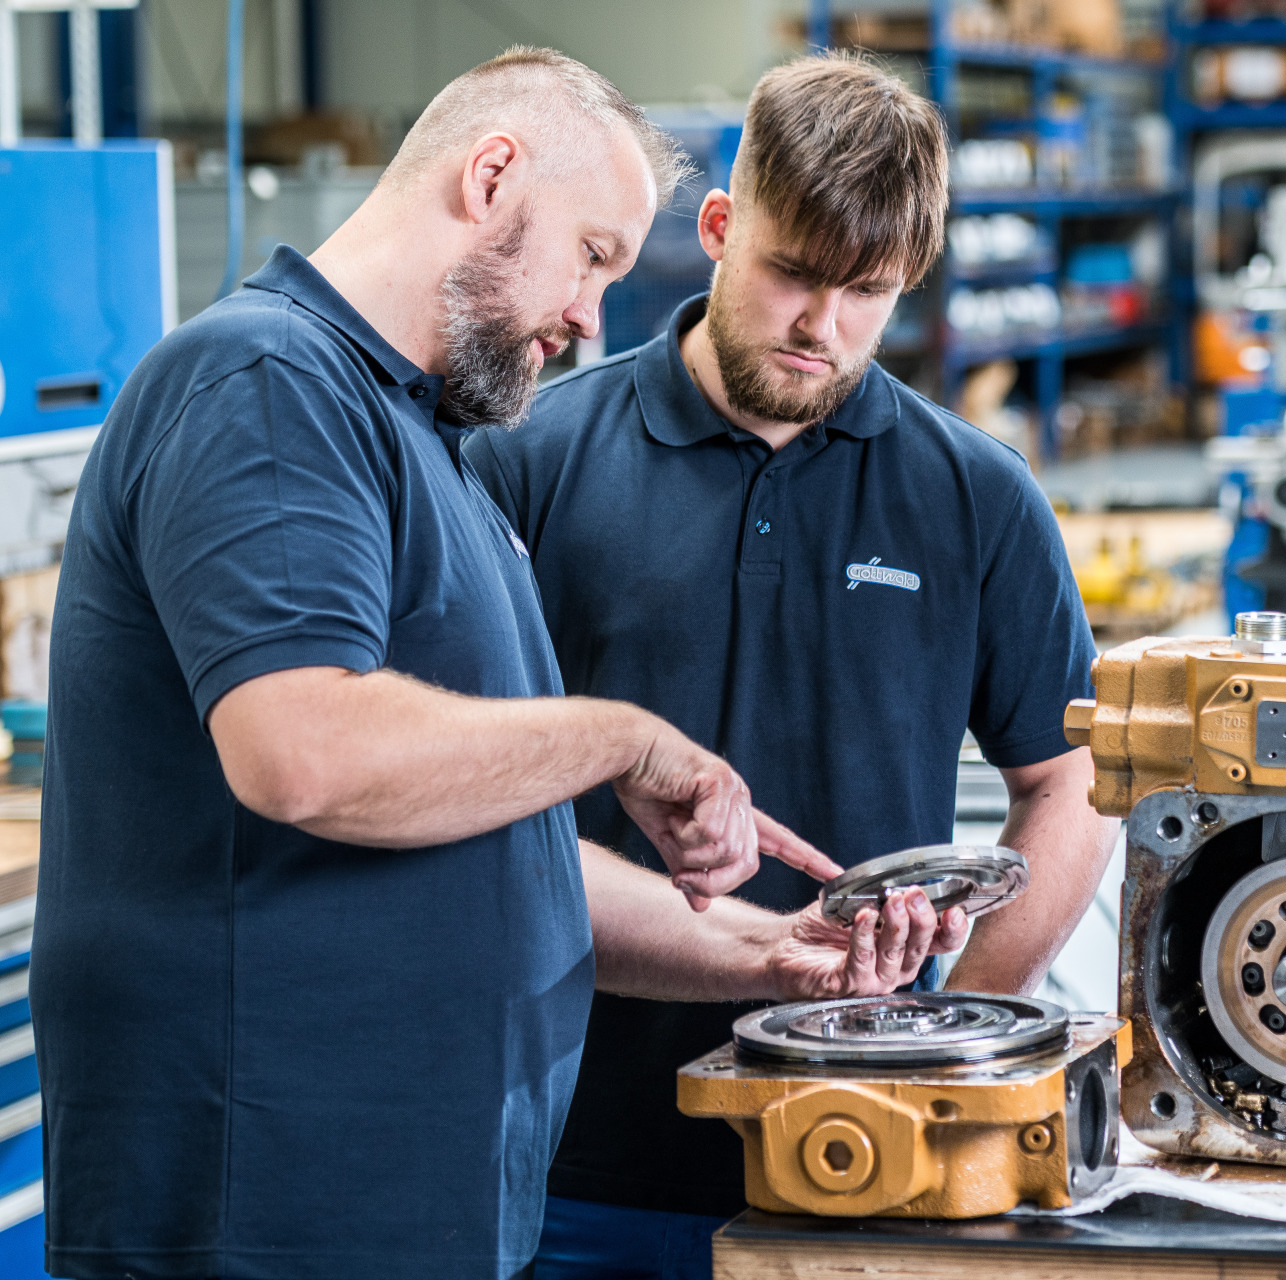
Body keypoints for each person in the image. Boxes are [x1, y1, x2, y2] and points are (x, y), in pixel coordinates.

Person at [34, 48, 962, 1280]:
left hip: (402, 1211)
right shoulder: (264, 383)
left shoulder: (425, 444)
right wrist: (624, 737)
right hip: (265, 1205)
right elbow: (306, 752)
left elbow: (498, 845)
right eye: (591, 255)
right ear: (491, 175)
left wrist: (768, 952)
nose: (590, 316)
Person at [465, 53, 1119, 1280]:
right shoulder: (530, 462)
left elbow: (1070, 777)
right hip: (567, 1163)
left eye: (866, 292)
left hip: (870, 1160)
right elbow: (466, 787)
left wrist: (952, 1025)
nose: (822, 327)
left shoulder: (976, 496)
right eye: (793, 275)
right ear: (719, 228)